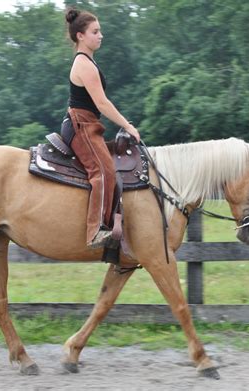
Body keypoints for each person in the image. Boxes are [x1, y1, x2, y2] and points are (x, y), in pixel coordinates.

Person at [63, 8, 140, 249]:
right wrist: (128, 125)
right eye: (95, 31)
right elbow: (102, 103)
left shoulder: (89, 61)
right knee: (104, 171)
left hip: (89, 124)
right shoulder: (83, 63)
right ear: (80, 36)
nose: (101, 35)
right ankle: (95, 231)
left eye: (100, 31)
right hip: (81, 126)